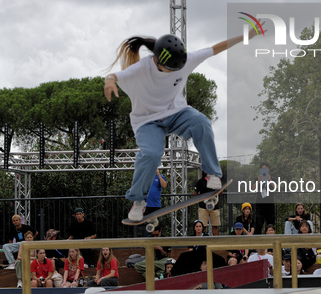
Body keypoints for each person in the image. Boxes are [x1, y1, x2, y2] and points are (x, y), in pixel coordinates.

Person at [104, 30, 263, 221]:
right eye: (170, 69)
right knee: (152, 154)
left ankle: (213, 174)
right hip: (147, 122)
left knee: (201, 122)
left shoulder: (185, 60)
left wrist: (245, 36)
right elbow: (114, 75)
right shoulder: (141, 69)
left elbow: (215, 48)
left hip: (176, 113)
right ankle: (138, 201)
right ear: (157, 61)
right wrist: (109, 81)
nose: (174, 72)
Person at [194, 170, 221, 236]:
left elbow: (220, 191)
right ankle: (203, 243)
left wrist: (214, 200)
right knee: (203, 226)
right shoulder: (200, 182)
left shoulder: (215, 181)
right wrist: (201, 200)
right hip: (203, 207)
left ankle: (215, 243)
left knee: (215, 226)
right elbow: (195, 193)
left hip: (214, 206)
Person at [254, 162, 276, 234]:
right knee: (258, 224)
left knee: (271, 224)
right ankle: (258, 242)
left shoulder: (273, 178)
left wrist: (270, 180)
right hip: (260, 204)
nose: (264, 170)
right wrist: (258, 181)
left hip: (270, 204)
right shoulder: (257, 179)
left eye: (266, 169)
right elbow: (253, 188)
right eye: (263, 169)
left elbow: (276, 188)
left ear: (269, 169)